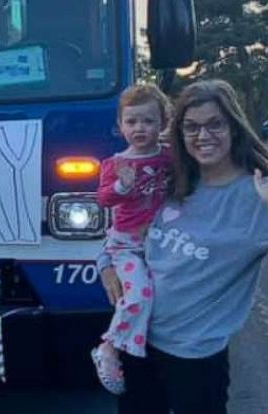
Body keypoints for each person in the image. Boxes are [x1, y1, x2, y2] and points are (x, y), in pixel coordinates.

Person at [98, 79, 268, 414]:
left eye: (214, 124)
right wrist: (105, 262)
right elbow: (125, 225)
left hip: (195, 359)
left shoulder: (258, 197)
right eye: (191, 127)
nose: (203, 136)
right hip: (139, 344)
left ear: (234, 128)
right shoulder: (173, 178)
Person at [91, 84, 173, 395]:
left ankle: (148, 366)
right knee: (138, 295)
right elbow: (103, 199)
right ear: (120, 126)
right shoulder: (114, 164)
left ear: (162, 123)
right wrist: (124, 187)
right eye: (132, 121)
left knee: (159, 300)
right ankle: (109, 348)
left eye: (148, 121)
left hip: (164, 243)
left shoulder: (168, 157)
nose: (140, 128)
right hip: (125, 246)